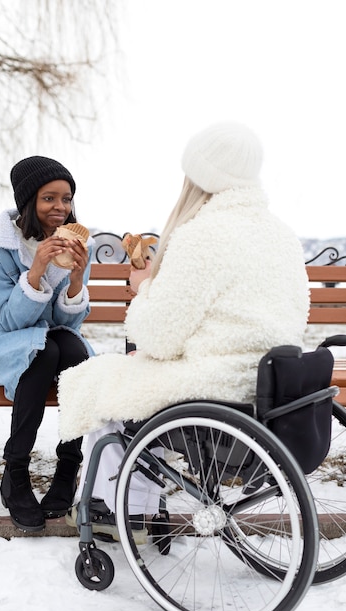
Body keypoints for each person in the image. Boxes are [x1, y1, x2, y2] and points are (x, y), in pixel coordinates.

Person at [58, 121, 310, 540]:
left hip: (214, 385)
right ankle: (136, 496)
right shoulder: (281, 234)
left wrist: (143, 292)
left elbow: (158, 335)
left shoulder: (202, 235)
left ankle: (123, 509)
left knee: (99, 381)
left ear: (203, 175)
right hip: (272, 383)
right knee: (125, 381)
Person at [0, 156, 94, 532]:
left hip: (48, 332)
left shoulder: (74, 243)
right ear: (29, 202)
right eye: (49, 199)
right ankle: (16, 474)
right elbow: (8, 319)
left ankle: (68, 467)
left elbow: (67, 325)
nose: (60, 208)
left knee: (74, 352)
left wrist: (74, 281)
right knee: (44, 352)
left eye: (66, 199)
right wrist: (37, 270)